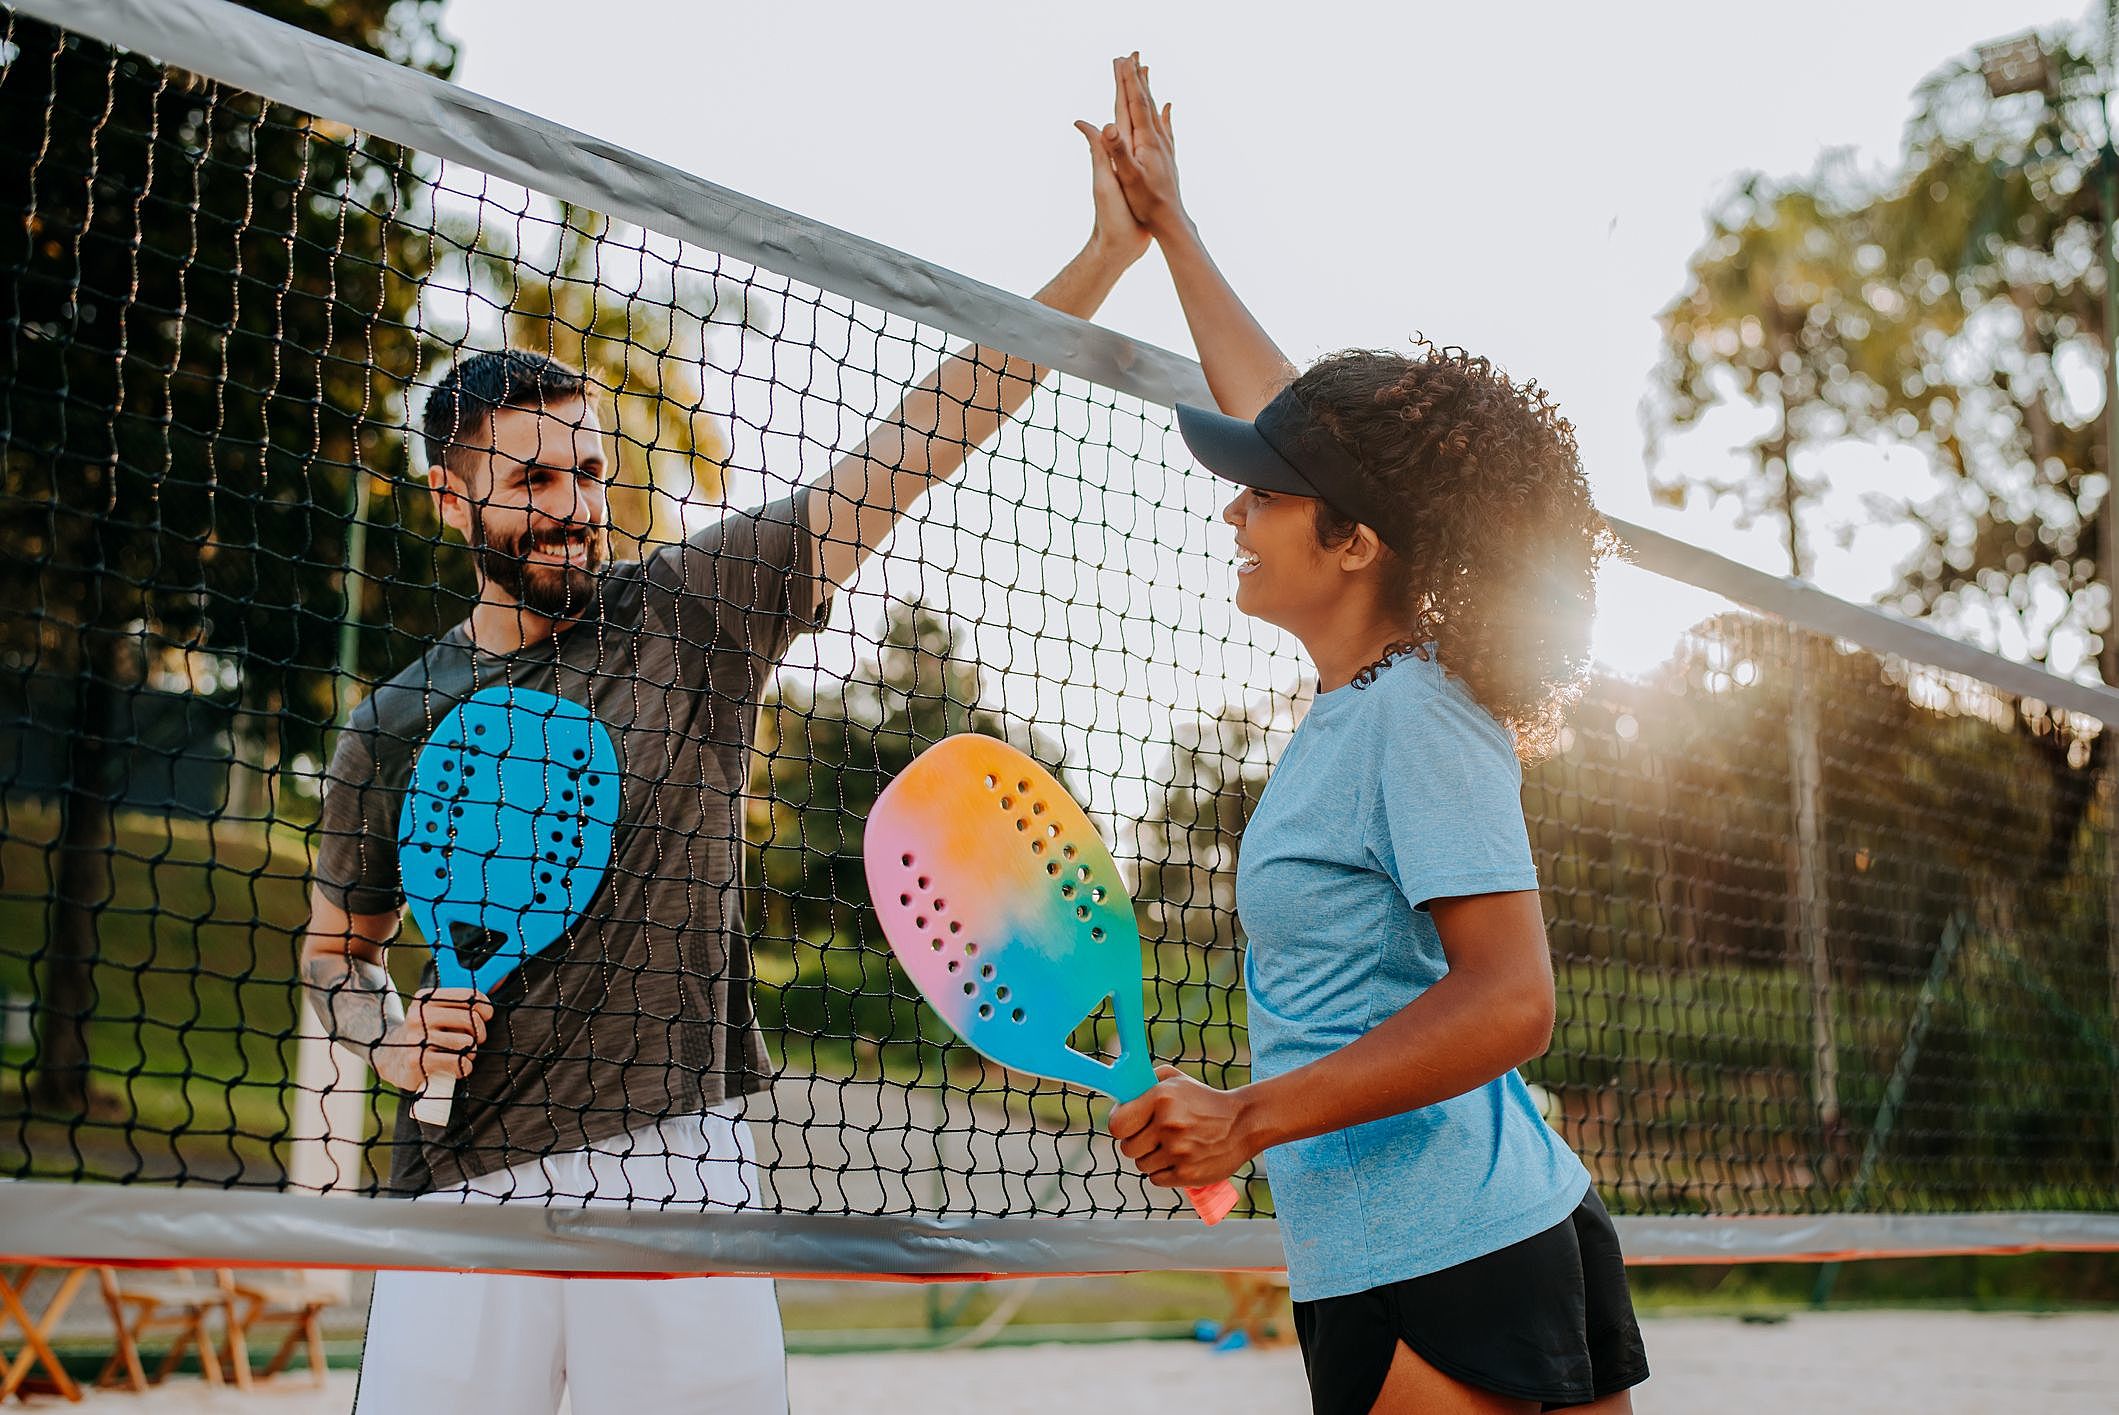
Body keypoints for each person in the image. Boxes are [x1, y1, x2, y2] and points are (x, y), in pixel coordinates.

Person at [300, 123, 1155, 1414]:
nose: (576, 502)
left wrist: (1102, 258)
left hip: (677, 1169)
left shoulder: (692, 612)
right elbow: (335, 960)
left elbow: (914, 445)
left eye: (591, 469)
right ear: (448, 503)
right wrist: (393, 1040)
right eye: (531, 479)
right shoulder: (393, 723)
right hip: (461, 1191)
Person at [1091, 56, 1650, 1415]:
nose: (1233, 510)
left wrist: (1250, 1116)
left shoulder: (1413, 713)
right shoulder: (1373, 694)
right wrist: (1175, 230)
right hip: (1458, 1237)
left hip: (1440, 1262)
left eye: (1262, 496)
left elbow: (1513, 999)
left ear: (1350, 541)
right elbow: (1299, 424)